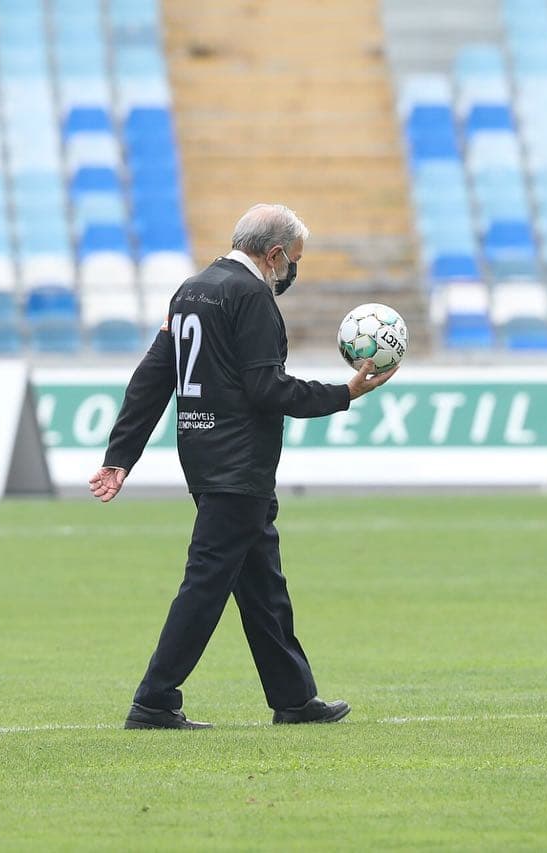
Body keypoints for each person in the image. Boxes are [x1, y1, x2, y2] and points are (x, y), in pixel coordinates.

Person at [89, 203, 397, 730]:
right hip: (240, 462)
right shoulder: (251, 296)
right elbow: (266, 388)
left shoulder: (192, 289)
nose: (292, 271)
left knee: (261, 583)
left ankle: (294, 699)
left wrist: (121, 456)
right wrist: (343, 393)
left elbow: (153, 375)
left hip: (203, 453)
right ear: (274, 254)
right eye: (293, 260)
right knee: (207, 583)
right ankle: (154, 700)